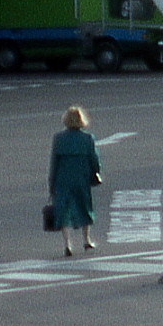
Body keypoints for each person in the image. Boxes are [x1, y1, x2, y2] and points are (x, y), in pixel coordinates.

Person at [49, 106, 102, 255]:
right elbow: (94, 159)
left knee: (63, 209)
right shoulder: (87, 138)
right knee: (84, 207)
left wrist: (51, 183)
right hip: (81, 177)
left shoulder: (58, 138)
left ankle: (67, 244)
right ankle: (86, 240)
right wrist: (96, 172)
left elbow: (54, 162)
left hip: (62, 178)